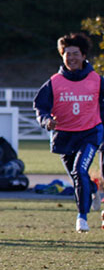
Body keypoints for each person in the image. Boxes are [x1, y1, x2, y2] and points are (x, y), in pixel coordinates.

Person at [33, 32, 104, 232]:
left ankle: (82, 217)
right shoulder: (54, 82)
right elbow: (41, 107)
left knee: (79, 170)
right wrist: (46, 121)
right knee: (77, 176)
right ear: (62, 56)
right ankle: (92, 189)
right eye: (67, 54)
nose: (71, 58)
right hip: (64, 137)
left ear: (83, 56)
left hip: (89, 134)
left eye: (75, 53)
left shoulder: (97, 80)